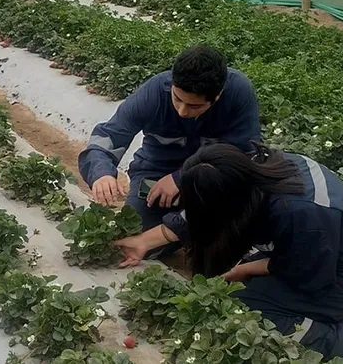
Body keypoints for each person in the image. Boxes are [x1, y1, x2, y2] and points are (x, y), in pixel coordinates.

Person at [114, 143, 343, 361]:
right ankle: (335, 311)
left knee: (246, 311)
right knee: (235, 283)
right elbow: (206, 211)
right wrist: (144, 241)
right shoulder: (247, 173)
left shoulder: (301, 213)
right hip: (322, 253)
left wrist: (243, 269)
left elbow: (305, 274)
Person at [78, 44, 261, 241]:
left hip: (211, 180)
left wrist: (180, 178)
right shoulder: (153, 94)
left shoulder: (238, 93)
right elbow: (109, 136)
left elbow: (243, 156)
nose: (182, 111)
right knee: (137, 232)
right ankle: (180, 226)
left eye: (194, 106)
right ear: (172, 83)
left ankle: (193, 226)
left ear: (216, 97)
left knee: (219, 237)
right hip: (155, 175)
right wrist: (101, 173)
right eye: (177, 99)